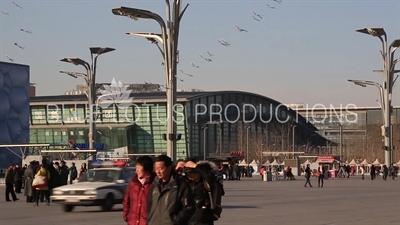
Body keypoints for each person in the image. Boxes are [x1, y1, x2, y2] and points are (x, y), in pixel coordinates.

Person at [147, 155, 195, 225]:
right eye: (156, 168)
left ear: (169, 168)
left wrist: (175, 220)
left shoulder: (180, 184)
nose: (158, 172)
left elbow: (189, 208)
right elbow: (149, 203)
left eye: (161, 168)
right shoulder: (155, 184)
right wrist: (149, 217)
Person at [184, 160, 224, 225]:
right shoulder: (190, 183)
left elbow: (209, 176)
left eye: (194, 175)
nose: (192, 178)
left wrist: (195, 166)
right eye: (190, 176)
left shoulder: (208, 182)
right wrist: (177, 168)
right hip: (191, 218)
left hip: (205, 217)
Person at [123, 156, 156, 225]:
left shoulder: (154, 183)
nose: (136, 170)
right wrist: (126, 216)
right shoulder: (133, 183)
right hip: (133, 222)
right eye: (136, 167)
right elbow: (126, 201)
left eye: (139, 167)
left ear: (146, 168)